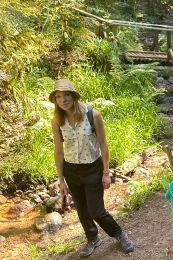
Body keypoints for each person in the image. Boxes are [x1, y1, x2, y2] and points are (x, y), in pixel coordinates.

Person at [50, 79, 134, 258]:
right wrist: (61, 180)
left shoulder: (92, 115)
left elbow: (103, 144)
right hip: (71, 171)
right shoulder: (57, 120)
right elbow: (58, 152)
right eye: (58, 97)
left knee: (96, 210)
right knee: (81, 209)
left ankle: (119, 233)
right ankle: (93, 238)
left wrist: (106, 173)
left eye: (66, 95)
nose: (63, 100)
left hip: (92, 169)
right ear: (55, 100)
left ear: (73, 96)